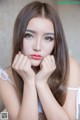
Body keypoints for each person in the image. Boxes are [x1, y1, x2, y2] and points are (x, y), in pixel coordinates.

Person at [0, 1, 80, 120]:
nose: (37, 47)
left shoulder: (70, 66)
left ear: (56, 43)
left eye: (48, 38)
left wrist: (41, 83)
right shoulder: (5, 77)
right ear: (19, 37)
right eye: (29, 35)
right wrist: (29, 80)